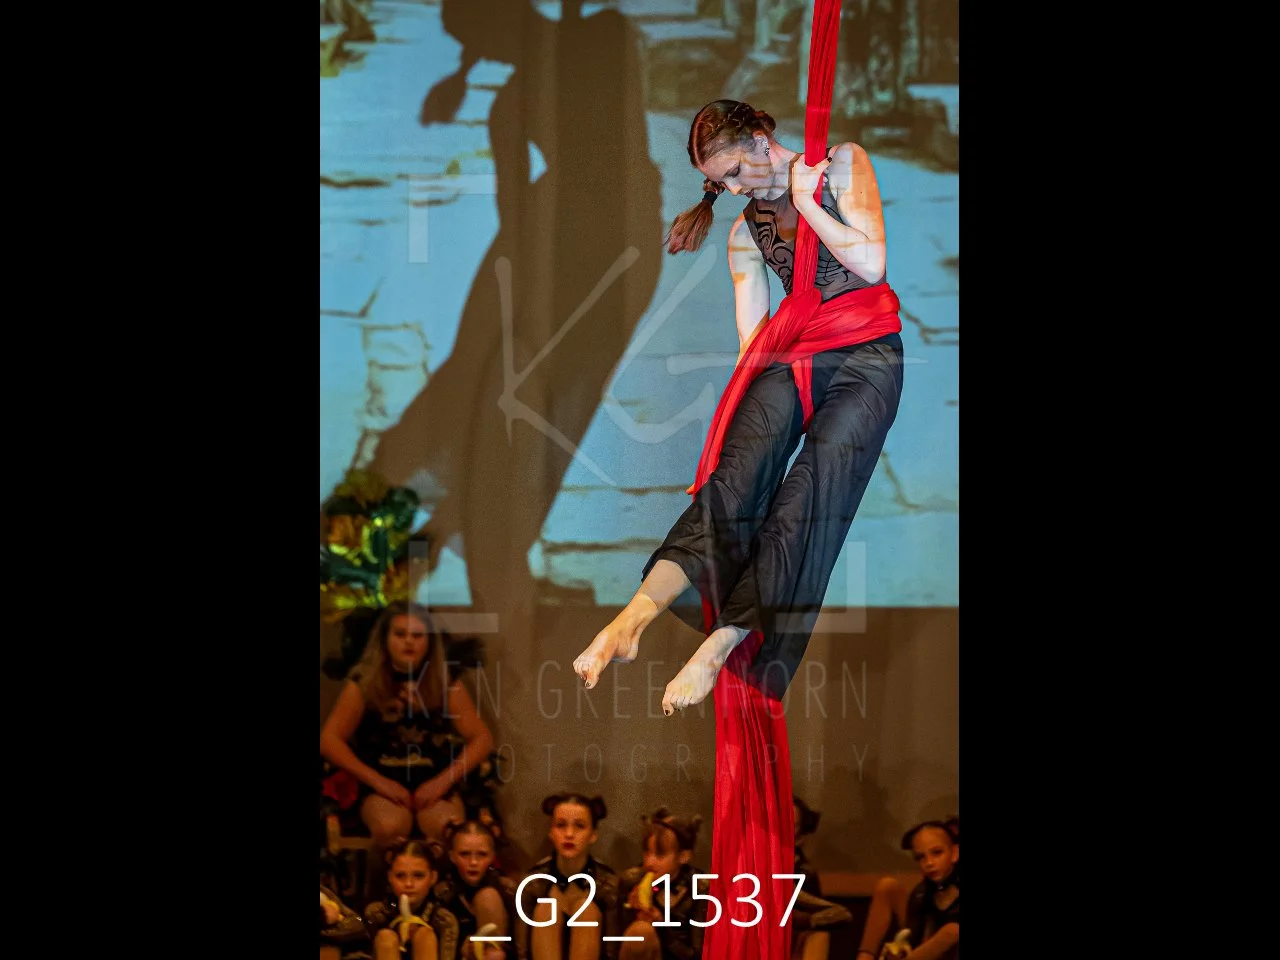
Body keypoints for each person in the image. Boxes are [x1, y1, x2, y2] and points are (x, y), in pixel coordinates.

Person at [573, 9, 902, 958]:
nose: (734, 189)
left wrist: (806, 202)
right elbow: (758, 338)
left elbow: (872, 262)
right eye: (720, 184)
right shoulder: (741, 236)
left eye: (739, 171)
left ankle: (721, 645)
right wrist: (750, 419)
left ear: (764, 138)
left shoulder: (837, 165)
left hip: (868, 361)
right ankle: (635, 616)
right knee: (734, 481)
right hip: (795, 361)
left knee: (806, 504)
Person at [320, 601, 497, 855]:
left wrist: (442, 782)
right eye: (400, 634)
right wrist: (378, 782)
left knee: (445, 826)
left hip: (435, 780)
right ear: (385, 639)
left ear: (429, 640)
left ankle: (439, 880)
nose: (409, 642)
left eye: (417, 635)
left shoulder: (445, 681)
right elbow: (329, 740)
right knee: (390, 826)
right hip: (381, 781)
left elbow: (481, 738)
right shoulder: (364, 682)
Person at [514, 792, 621, 960]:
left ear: (593, 834)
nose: (569, 834)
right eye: (561, 825)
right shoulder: (533, 883)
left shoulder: (607, 884)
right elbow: (521, 952)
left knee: (586, 910)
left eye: (579, 826)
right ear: (551, 832)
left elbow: (611, 952)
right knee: (547, 909)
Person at [855, 817, 959, 960]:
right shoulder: (922, 892)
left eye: (937, 853)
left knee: (952, 930)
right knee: (887, 886)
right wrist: (901, 949)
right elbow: (915, 933)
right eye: (921, 857)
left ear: (954, 853)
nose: (929, 863)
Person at [616, 807, 707, 960]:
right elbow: (614, 946)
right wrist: (630, 913)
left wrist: (661, 925)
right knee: (641, 931)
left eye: (660, 854)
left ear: (683, 856)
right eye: (647, 852)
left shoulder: (700, 889)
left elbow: (698, 955)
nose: (649, 862)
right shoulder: (631, 881)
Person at [364, 838, 461, 960]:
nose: (408, 884)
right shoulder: (377, 914)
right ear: (390, 877)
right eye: (400, 876)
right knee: (386, 937)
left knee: (425, 936)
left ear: (433, 877)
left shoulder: (444, 920)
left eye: (418, 876)